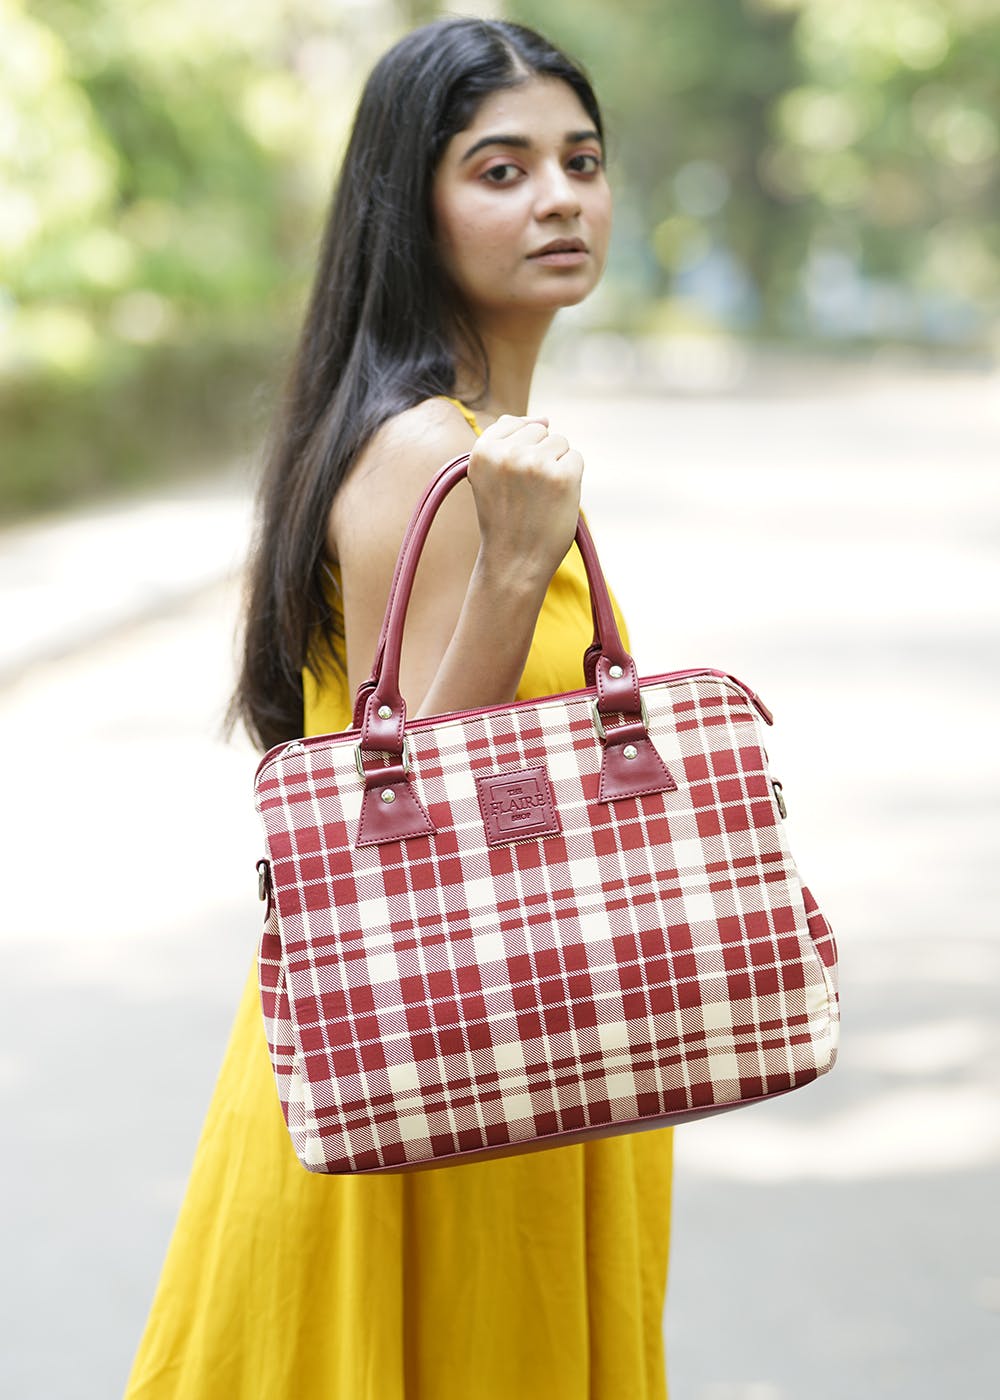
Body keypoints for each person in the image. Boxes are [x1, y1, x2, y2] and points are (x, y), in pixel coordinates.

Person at [125, 18, 673, 1399]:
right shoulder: (432, 452)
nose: (558, 196)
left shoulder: (461, 443)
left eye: (581, 159)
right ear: (410, 208)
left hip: (491, 1068)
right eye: (500, 169)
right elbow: (407, 813)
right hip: (431, 1101)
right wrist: (516, 569)